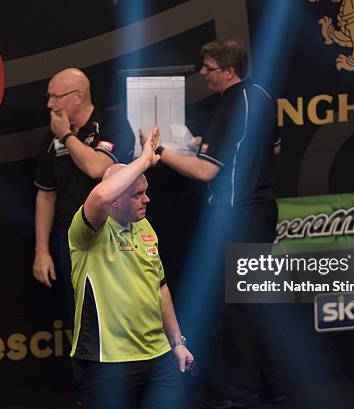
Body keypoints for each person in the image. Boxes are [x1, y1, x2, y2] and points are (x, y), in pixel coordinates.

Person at [143, 39, 282, 408]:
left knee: (237, 310)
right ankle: (267, 389)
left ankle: (241, 395)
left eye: (207, 67)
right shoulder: (262, 96)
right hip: (257, 211)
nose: (202, 74)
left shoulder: (234, 102)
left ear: (227, 71)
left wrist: (158, 152)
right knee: (247, 306)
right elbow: (273, 147)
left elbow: (206, 170)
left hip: (240, 216)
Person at [68, 128, 194, 409]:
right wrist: (145, 159)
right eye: (137, 194)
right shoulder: (89, 232)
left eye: (146, 192)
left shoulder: (145, 227)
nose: (147, 199)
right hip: (107, 361)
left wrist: (177, 342)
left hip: (158, 357)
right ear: (116, 199)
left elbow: (159, 286)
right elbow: (99, 196)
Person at [33, 68, 134, 328]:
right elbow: (46, 195)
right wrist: (42, 250)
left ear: (78, 96)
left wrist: (66, 135)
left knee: (117, 313)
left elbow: (96, 167)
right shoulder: (50, 138)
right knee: (81, 315)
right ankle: (88, 369)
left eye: (56, 97)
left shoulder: (112, 124)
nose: (49, 104)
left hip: (111, 235)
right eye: (49, 96)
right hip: (72, 239)